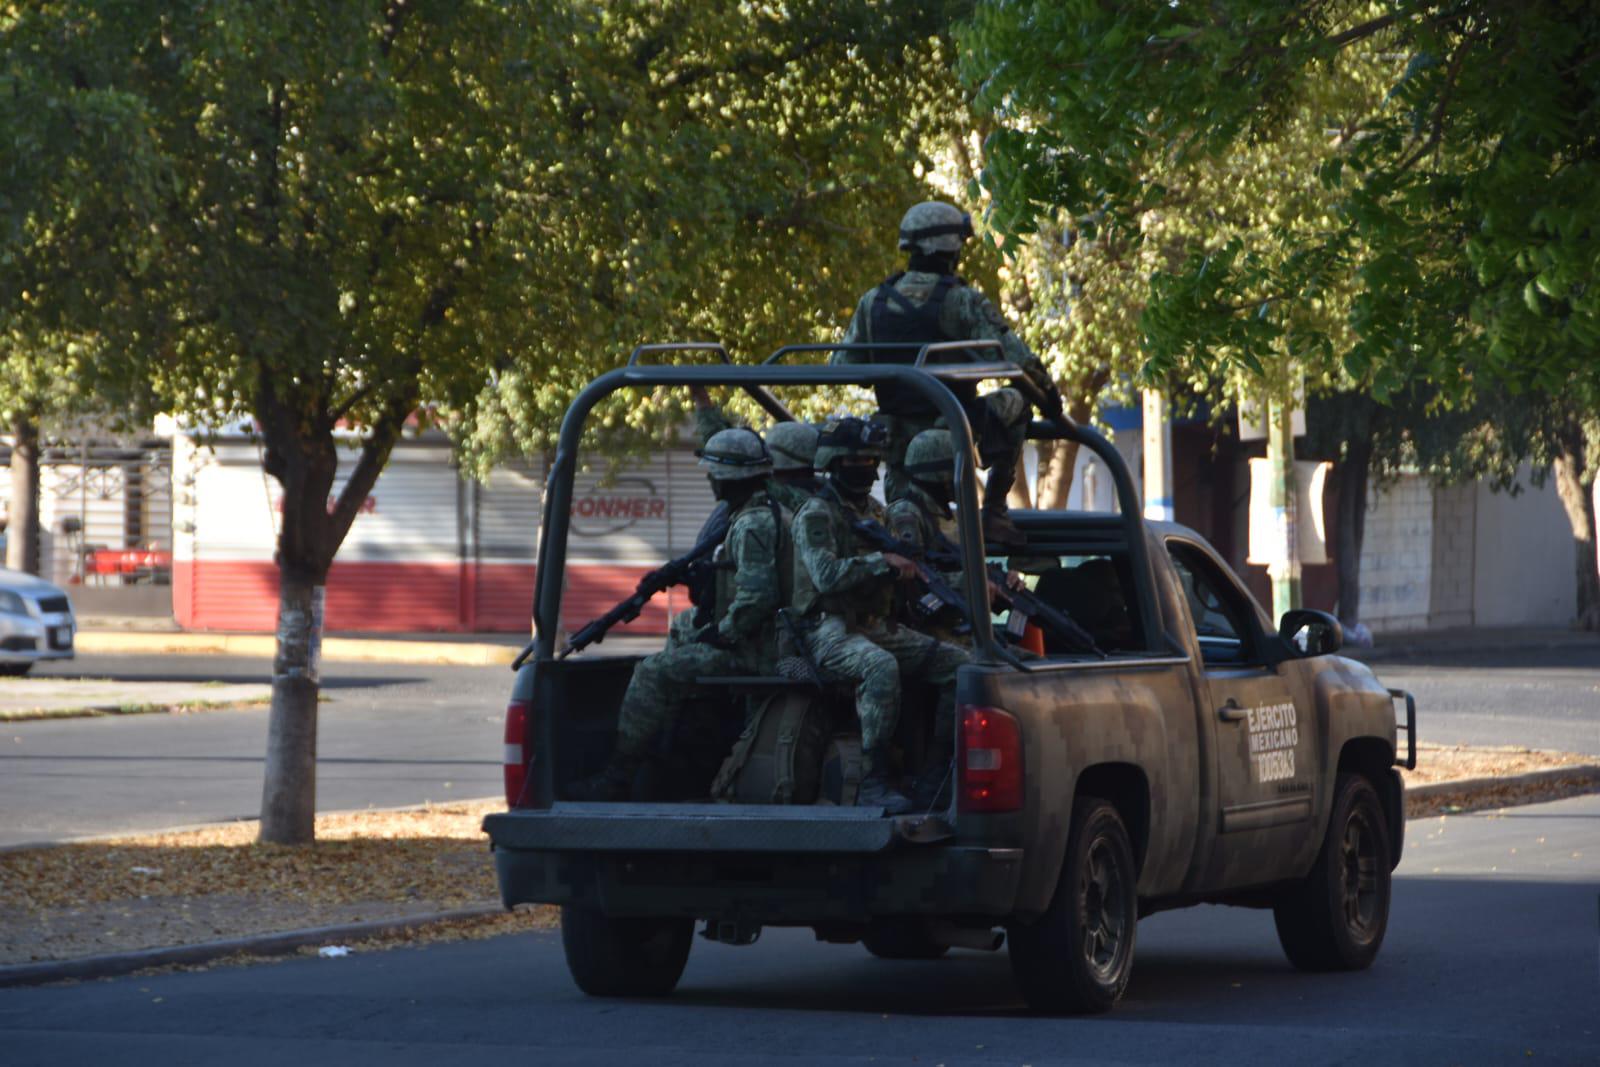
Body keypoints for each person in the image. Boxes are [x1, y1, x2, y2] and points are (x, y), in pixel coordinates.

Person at [567, 428, 792, 801]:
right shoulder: (754, 514)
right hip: (760, 641)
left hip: (757, 651)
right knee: (682, 629)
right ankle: (669, 759)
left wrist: (721, 633)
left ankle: (618, 777)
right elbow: (733, 583)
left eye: (713, 472)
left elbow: (758, 597)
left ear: (729, 477)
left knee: (653, 672)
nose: (708, 480)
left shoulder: (753, 523)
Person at [833, 200, 1065, 546]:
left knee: (910, 539)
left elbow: (843, 370)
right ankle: (996, 512)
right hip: (951, 437)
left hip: (899, 448)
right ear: (951, 247)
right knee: (1018, 399)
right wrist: (1051, 403)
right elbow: (1017, 361)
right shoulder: (961, 300)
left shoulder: (874, 302)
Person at [789, 416, 970, 814]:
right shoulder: (816, 514)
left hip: (874, 625)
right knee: (880, 667)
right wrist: (881, 563)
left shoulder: (876, 512)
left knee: (960, 666)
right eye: (858, 462)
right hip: (824, 628)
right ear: (834, 464)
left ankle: (935, 773)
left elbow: (910, 569)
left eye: (873, 461)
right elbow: (825, 576)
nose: (867, 470)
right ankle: (873, 781)